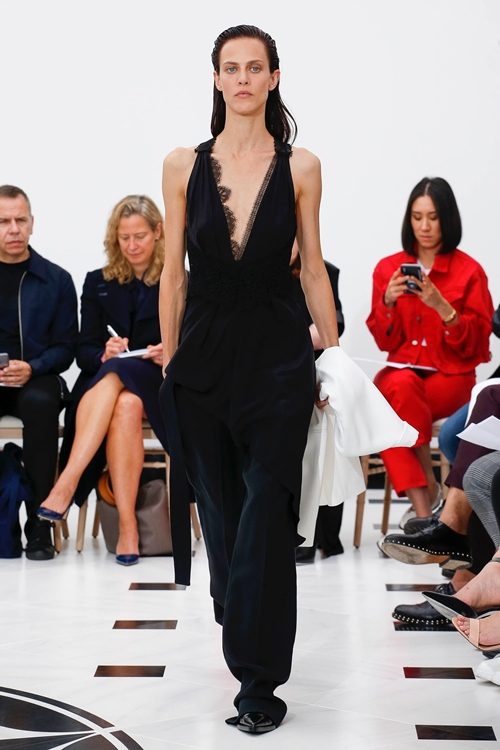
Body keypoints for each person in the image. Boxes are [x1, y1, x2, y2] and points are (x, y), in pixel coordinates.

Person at [158, 25, 340, 734]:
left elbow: (313, 268)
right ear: (216, 78)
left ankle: (259, 685)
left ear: (273, 77)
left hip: (277, 358)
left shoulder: (303, 166)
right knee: (226, 519)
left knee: (267, 511)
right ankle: (240, 613)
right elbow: (174, 273)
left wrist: (333, 356)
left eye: (253, 67)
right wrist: (170, 359)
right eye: (230, 68)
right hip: (202, 361)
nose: (241, 78)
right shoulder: (182, 165)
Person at [37, 195, 167, 566]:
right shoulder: (98, 282)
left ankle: (67, 483)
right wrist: (103, 353)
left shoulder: (178, 279)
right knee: (124, 402)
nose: (132, 246)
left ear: (158, 232)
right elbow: (83, 351)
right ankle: (127, 527)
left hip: (159, 381)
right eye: (124, 238)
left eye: (140, 236)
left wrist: (169, 351)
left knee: (121, 379)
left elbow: (198, 342)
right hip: (113, 390)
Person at [366, 177, 493, 521]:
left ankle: (424, 512)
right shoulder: (388, 269)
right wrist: (387, 303)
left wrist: (442, 307)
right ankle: (426, 514)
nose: (424, 226)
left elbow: (477, 344)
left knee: (390, 412)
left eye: (433, 218)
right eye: (417, 217)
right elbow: (384, 342)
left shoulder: (470, 272)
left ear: (447, 219)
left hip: (451, 378)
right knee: (398, 389)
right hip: (402, 372)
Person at [0, 184, 78, 561]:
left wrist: (33, 367)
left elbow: (66, 347)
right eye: (3, 221)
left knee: (41, 405)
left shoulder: (56, 279)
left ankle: (39, 524)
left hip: (38, 377)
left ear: (32, 223)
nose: (13, 229)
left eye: (20, 220)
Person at [289, 239, 346, 563]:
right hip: (272, 369)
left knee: (325, 422)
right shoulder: (259, 272)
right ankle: (300, 532)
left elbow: (332, 326)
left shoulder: (324, 271)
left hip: (313, 364)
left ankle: (322, 534)